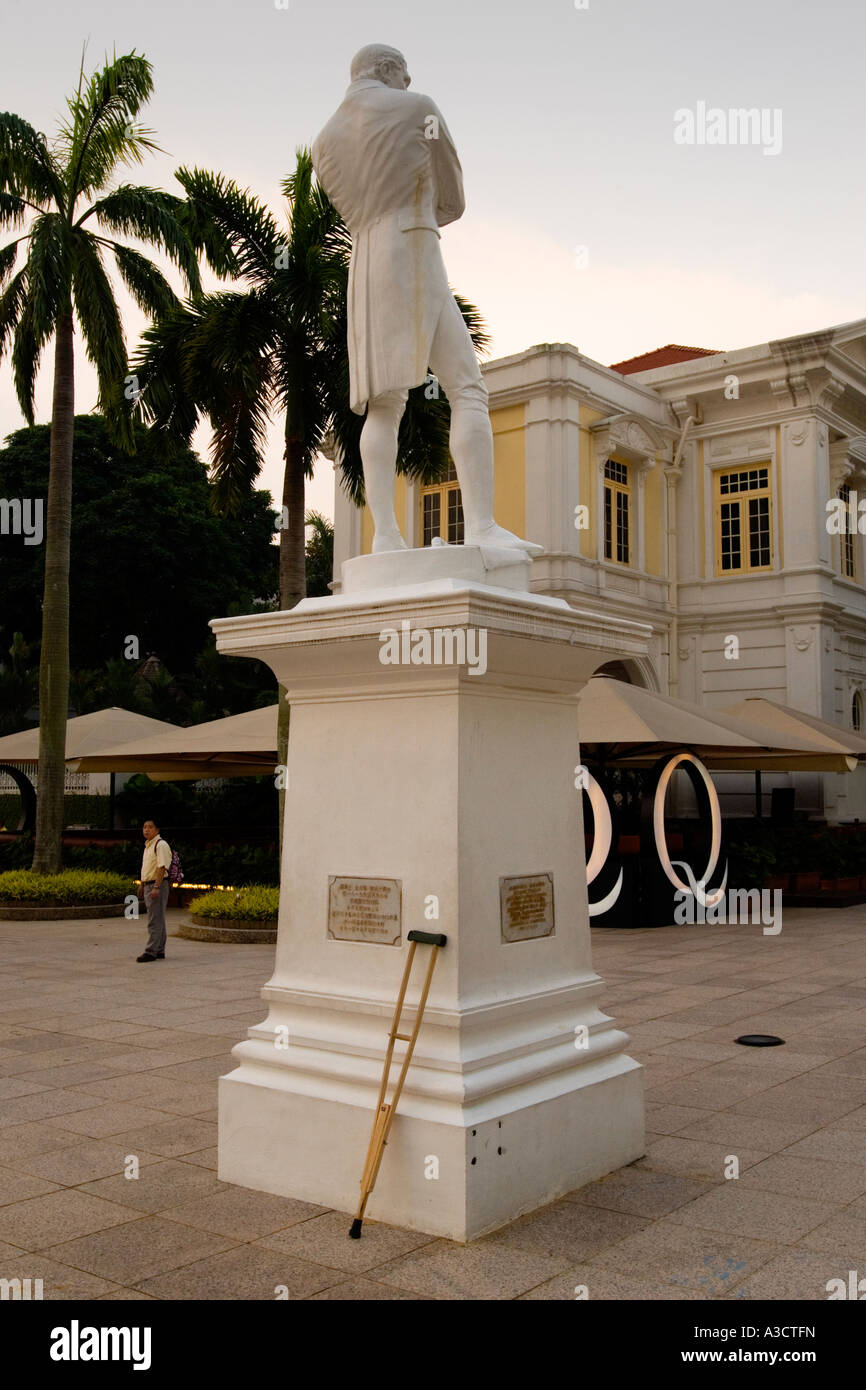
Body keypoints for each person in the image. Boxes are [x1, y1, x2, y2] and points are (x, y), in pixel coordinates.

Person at [312, 44, 541, 557]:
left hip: (364, 261)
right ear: (389, 72)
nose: (409, 83)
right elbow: (454, 197)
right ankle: (482, 525)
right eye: (405, 76)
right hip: (413, 247)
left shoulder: (323, 141)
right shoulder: (418, 109)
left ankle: (386, 538)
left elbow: (344, 206)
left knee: (383, 405)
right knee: (467, 386)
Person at [138, 818, 171, 962]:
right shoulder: (148, 845)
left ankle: (151, 951)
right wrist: (142, 884)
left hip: (157, 885)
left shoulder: (160, 844)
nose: (146, 829)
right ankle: (159, 950)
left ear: (157, 830)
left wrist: (156, 887)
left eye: (150, 827)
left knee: (154, 919)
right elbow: (148, 867)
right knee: (158, 919)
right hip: (149, 884)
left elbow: (162, 867)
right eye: (144, 827)